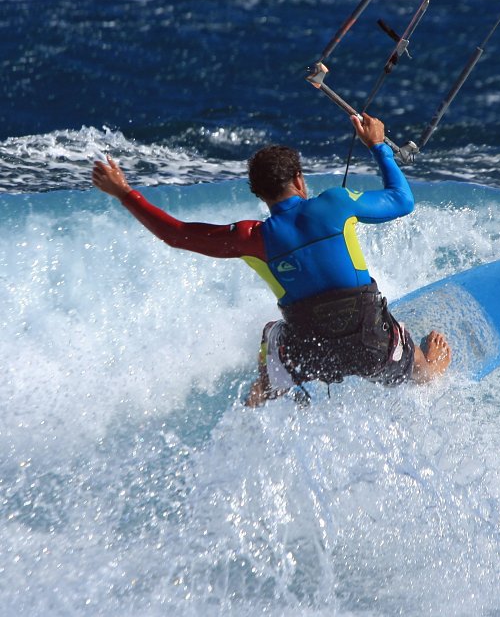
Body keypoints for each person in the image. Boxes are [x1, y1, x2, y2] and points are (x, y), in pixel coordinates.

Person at [92, 113, 451, 406]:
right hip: (371, 347)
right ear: (299, 178)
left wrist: (124, 193)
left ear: (259, 194)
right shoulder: (335, 203)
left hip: (313, 357)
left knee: (272, 331)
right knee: (411, 360)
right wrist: (378, 147)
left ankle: (265, 390)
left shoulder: (251, 238)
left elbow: (176, 234)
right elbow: (402, 200)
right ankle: (428, 369)